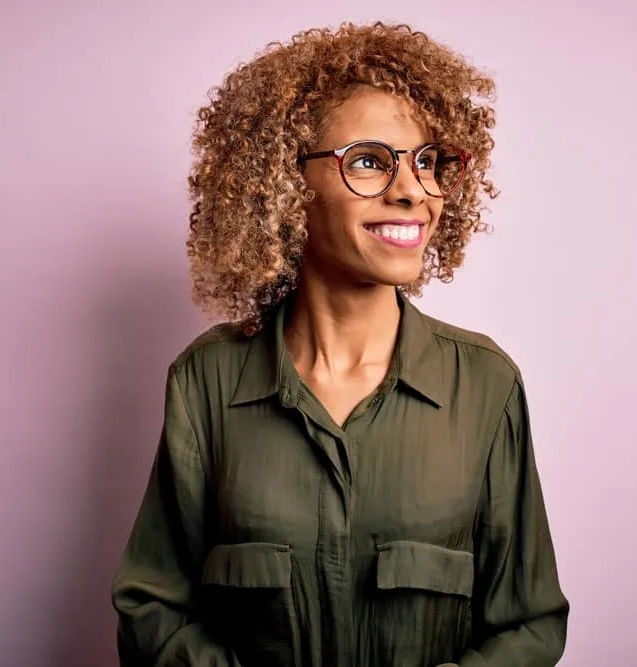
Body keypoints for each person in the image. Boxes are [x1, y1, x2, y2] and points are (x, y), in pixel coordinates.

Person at [112, 21, 569, 667]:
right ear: (284, 185)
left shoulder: (485, 384)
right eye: (368, 160)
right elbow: (152, 607)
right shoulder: (207, 380)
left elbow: (530, 625)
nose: (412, 190)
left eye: (429, 161)